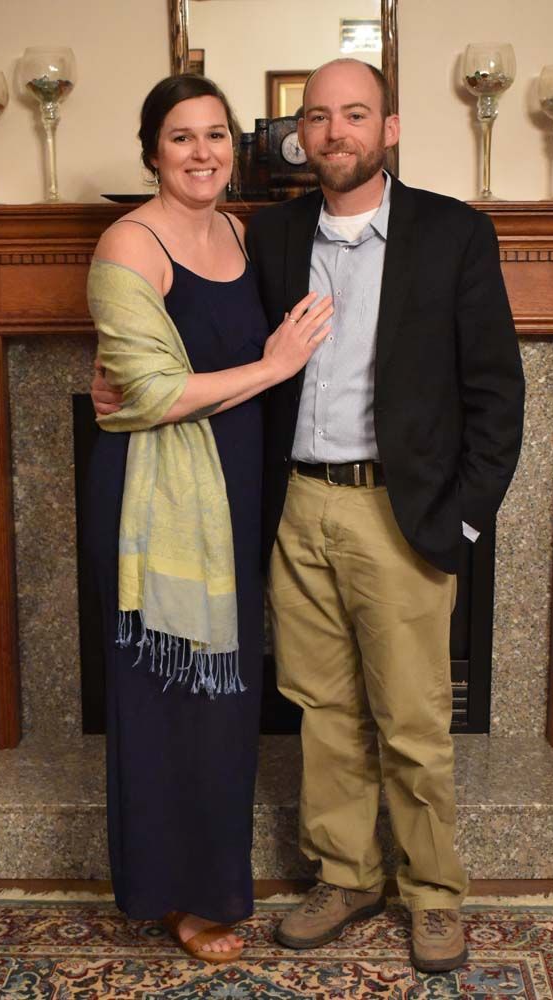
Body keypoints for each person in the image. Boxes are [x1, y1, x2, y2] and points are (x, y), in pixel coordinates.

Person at [93, 58, 525, 973]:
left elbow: (496, 394)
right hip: (296, 507)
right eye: (318, 117)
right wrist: (120, 388)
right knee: (321, 711)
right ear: (299, 135)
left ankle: (432, 892)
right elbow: (193, 344)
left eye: (355, 115)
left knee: (411, 719)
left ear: (388, 129)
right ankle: (344, 875)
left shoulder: (453, 233)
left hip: (398, 513)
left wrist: (463, 522)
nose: (335, 132)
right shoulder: (270, 234)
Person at [84, 73, 332, 965]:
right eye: (181, 136)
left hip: (235, 488)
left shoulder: (239, 232)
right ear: (152, 151)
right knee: (167, 701)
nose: (202, 152)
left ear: (236, 145)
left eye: (216, 134)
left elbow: (155, 376)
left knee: (223, 704)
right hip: (156, 503)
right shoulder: (129, 241)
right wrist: (274, 366)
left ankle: (211, 884)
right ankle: (175, 897)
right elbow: (149, 391)